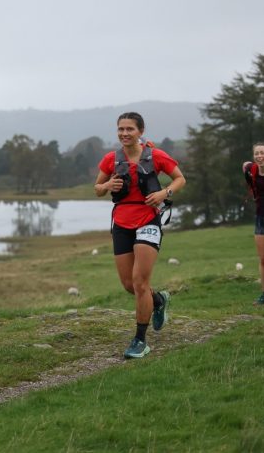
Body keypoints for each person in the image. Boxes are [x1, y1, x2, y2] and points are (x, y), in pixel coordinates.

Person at [94, 112, 186, 359]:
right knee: (128, 285)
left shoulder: (155, 155)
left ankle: (139, 340)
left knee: (139, 281)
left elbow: (180, 179)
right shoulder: (110, 159)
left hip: (148, 220)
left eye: (130, 129)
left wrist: (163, 193)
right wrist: (106, 186)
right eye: (121, 129)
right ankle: (158, 301)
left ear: (140, 131)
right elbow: (97, 189)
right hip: (121, 222)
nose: (124, 133)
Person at [243, 142, 264, 305]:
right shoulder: (251, 170)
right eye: (257, 153)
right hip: (261, 218)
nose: (260, 156)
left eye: (263, 153)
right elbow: (245, 165)